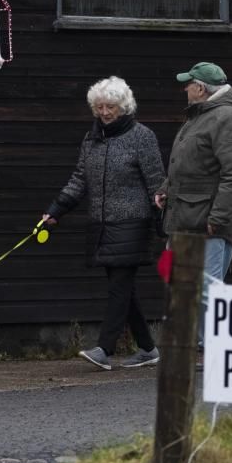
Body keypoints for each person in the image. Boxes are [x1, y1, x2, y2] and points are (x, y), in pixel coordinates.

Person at [42, 76, 166, 371]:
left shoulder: (142, 137)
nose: (105, 112)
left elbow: (158, 184)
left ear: (124, 107)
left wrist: (164, 221)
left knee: (119, 286)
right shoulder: (92, 139)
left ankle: (104, 349)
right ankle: (148, 349)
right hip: (102, 225)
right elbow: (79, 180)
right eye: (99, 107)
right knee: (122, 287)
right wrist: (56, 210)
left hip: (133, 223)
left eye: (110, 106)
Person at [154, 62, 232, 353]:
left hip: (209, 221)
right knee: (183, 283)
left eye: (188, 83)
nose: (184, 88)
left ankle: (214, 351)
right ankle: (195, 344)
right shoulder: (200, 117)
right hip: (186, 217)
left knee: (207, 291)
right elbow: (190, 165)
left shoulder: (226, 118)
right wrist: (165, 189)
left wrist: (217, 217)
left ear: (200, 88)